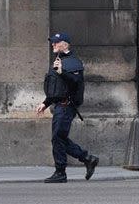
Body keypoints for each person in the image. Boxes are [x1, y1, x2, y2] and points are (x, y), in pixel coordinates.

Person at [35, 33, 99, 183]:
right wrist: (45, 103)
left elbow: (75, 81)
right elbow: (56, 88)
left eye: (56, 43)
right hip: (59, 106)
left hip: (67, 106)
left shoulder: (73, 62)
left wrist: (62, 72)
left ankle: (61, 172)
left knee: (58, 138)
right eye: (53, 43)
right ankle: (87, 159)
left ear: (64, 44)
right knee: (59, 138)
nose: (53, 45)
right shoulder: (58, 61)